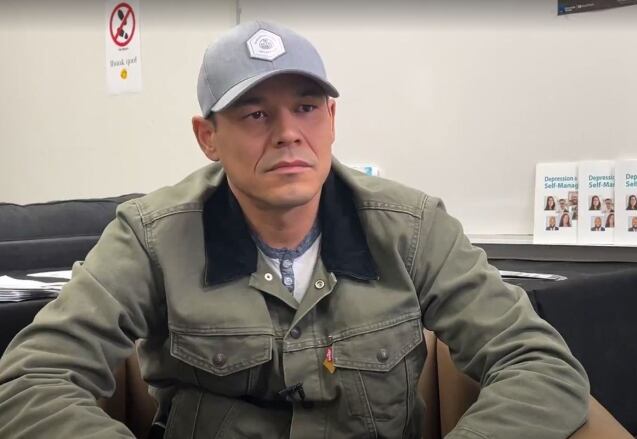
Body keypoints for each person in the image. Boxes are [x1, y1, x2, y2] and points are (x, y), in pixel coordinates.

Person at [0, 21, 589, 438]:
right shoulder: (152, 237)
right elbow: (32, 379)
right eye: (256, 114)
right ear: (208, 136)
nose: (288, 133)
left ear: (331, 120)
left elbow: (540, 364)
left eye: (306, 108)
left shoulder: (412, 228)